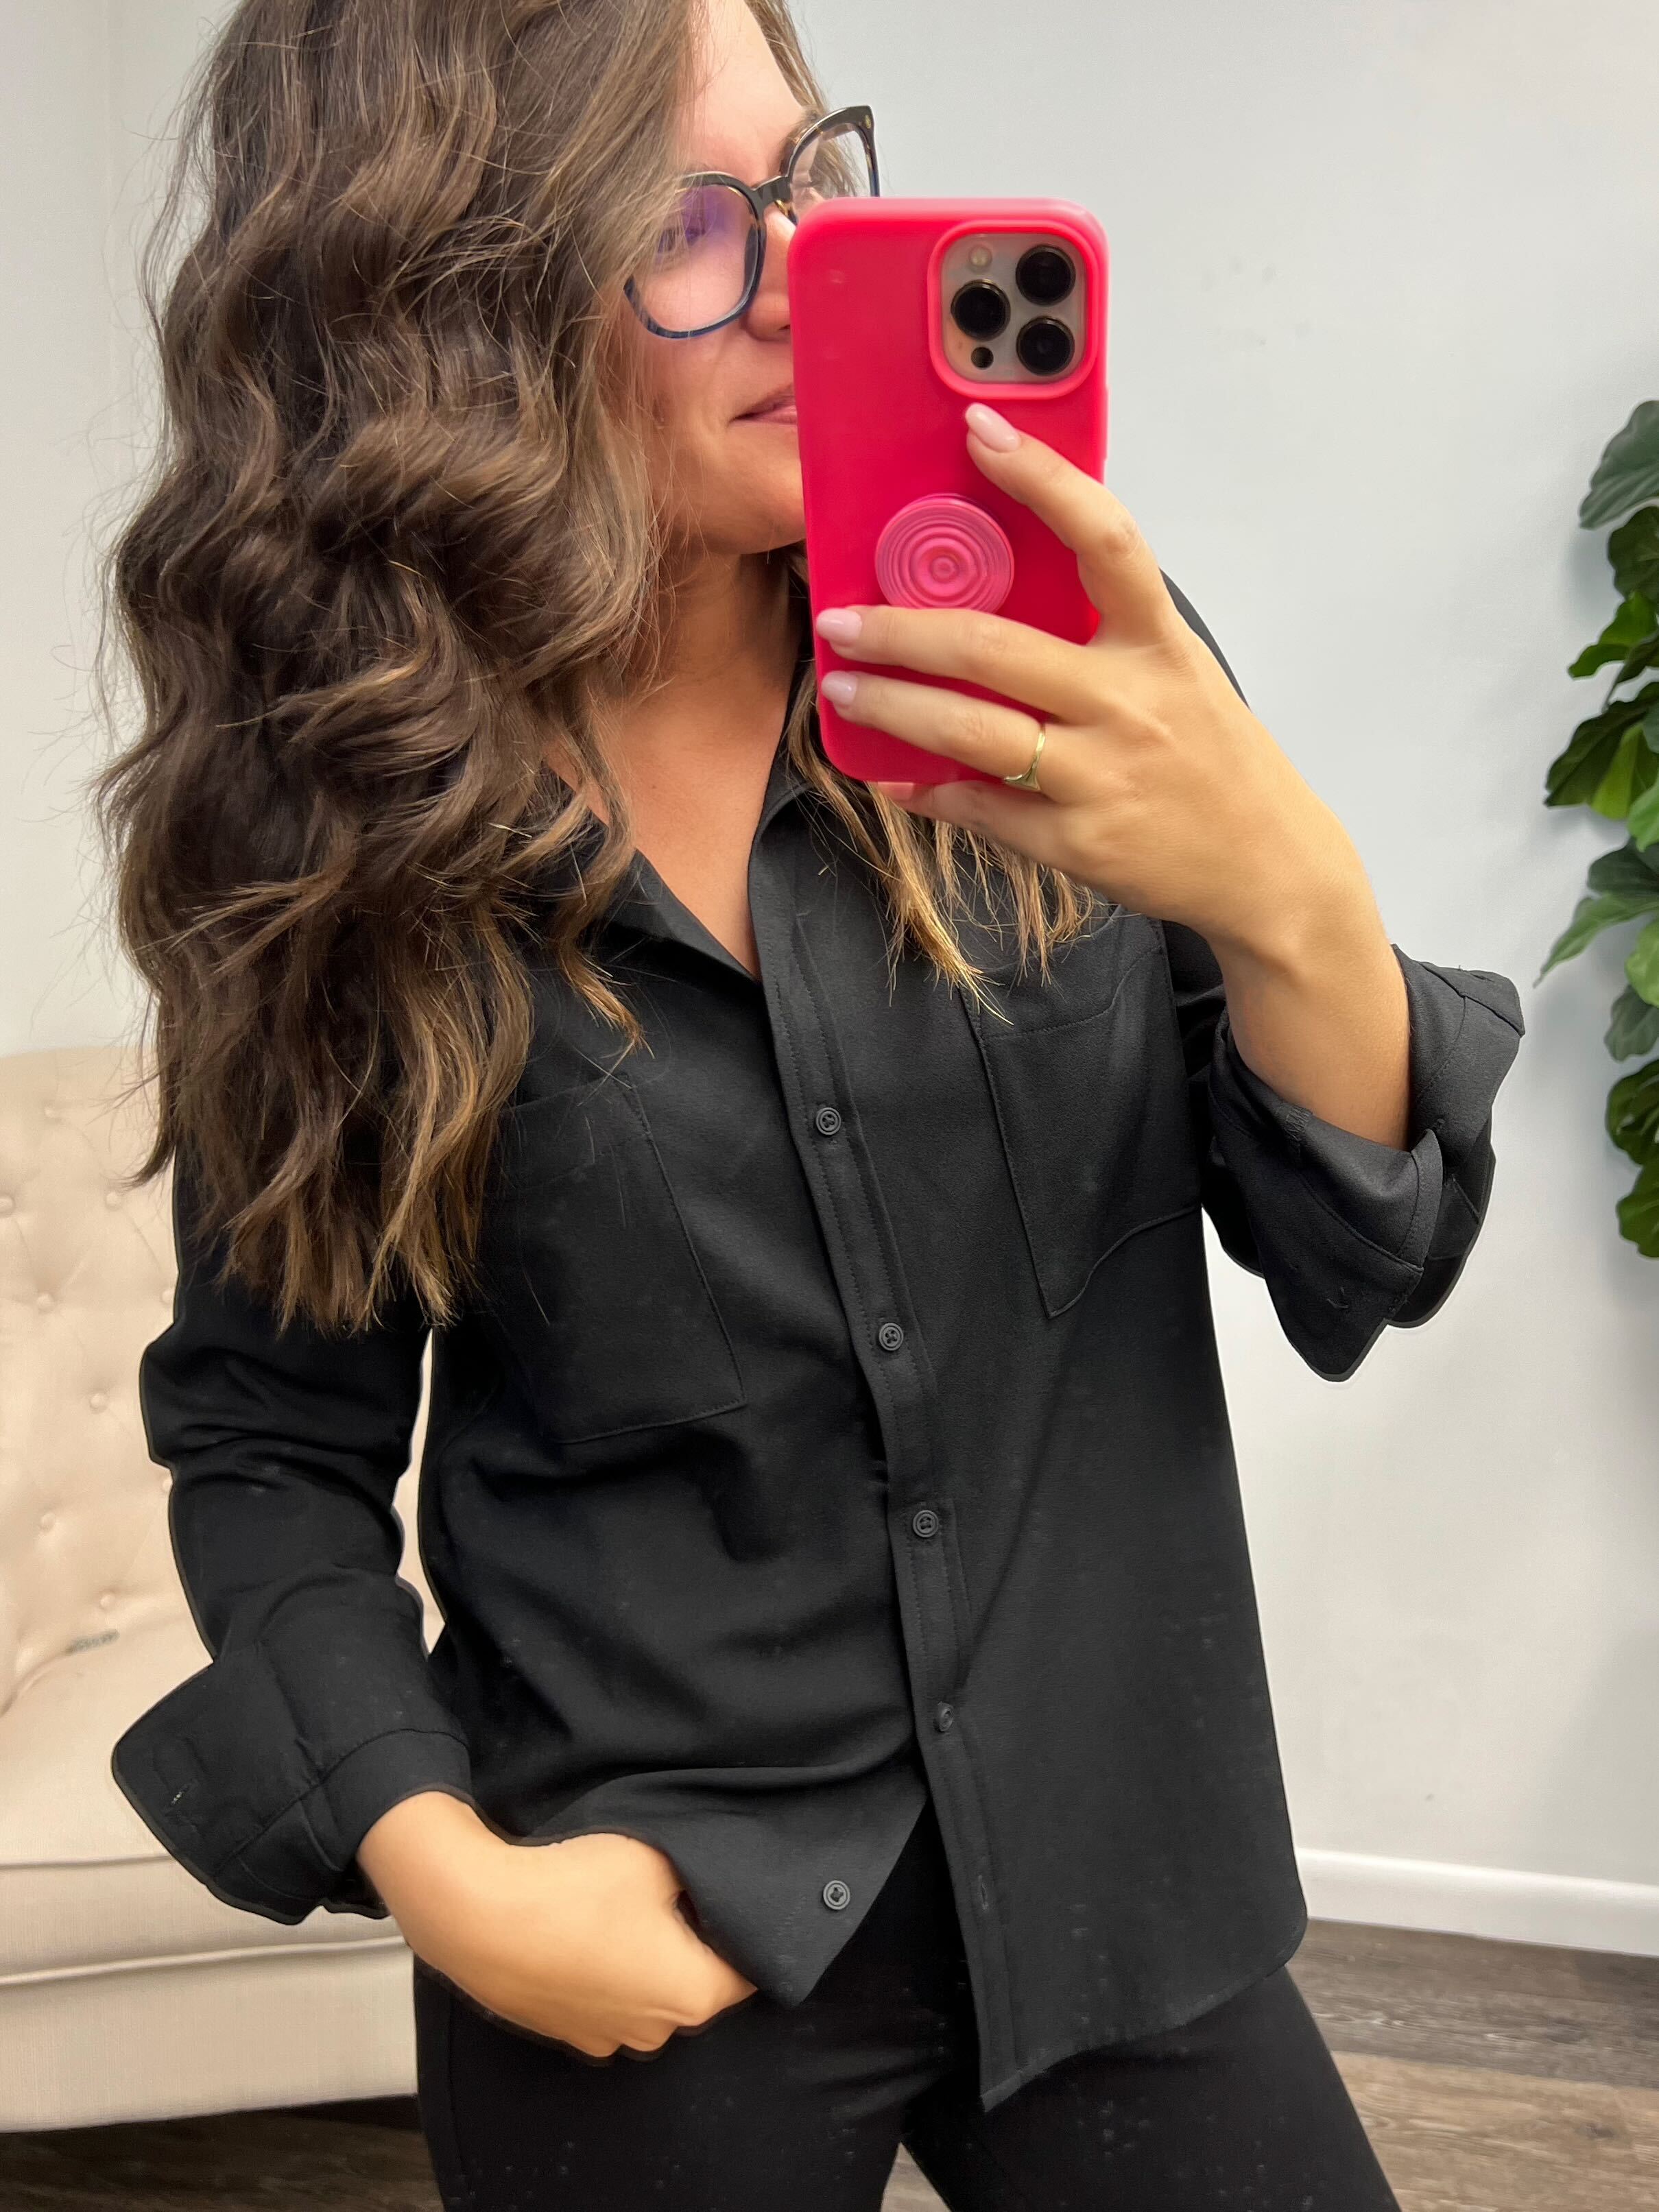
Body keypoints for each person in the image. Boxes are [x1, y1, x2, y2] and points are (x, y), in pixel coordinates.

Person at [95, 1, 1523, 2206]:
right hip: (648, 1918)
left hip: (1111, 1855)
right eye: (678, 221)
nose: (792, 272)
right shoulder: (332, 834)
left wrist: (1291, 896)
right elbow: (271, 1438)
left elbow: (1359, 1249)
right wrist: (450, 1875)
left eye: (810, 180)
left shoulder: (1047, 669)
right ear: (443, 306)